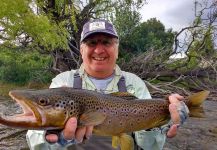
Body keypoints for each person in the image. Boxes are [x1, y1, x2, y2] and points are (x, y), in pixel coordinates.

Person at [26, 19, 188, 150]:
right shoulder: (63, 82)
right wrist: (52, 140)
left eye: (106, 42)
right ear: (81, 49)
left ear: (117, 49)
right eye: (92, 43)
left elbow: (150, 147)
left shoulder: (134, 83)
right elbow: (36, 143)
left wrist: (164, 118)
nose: (99, 50)